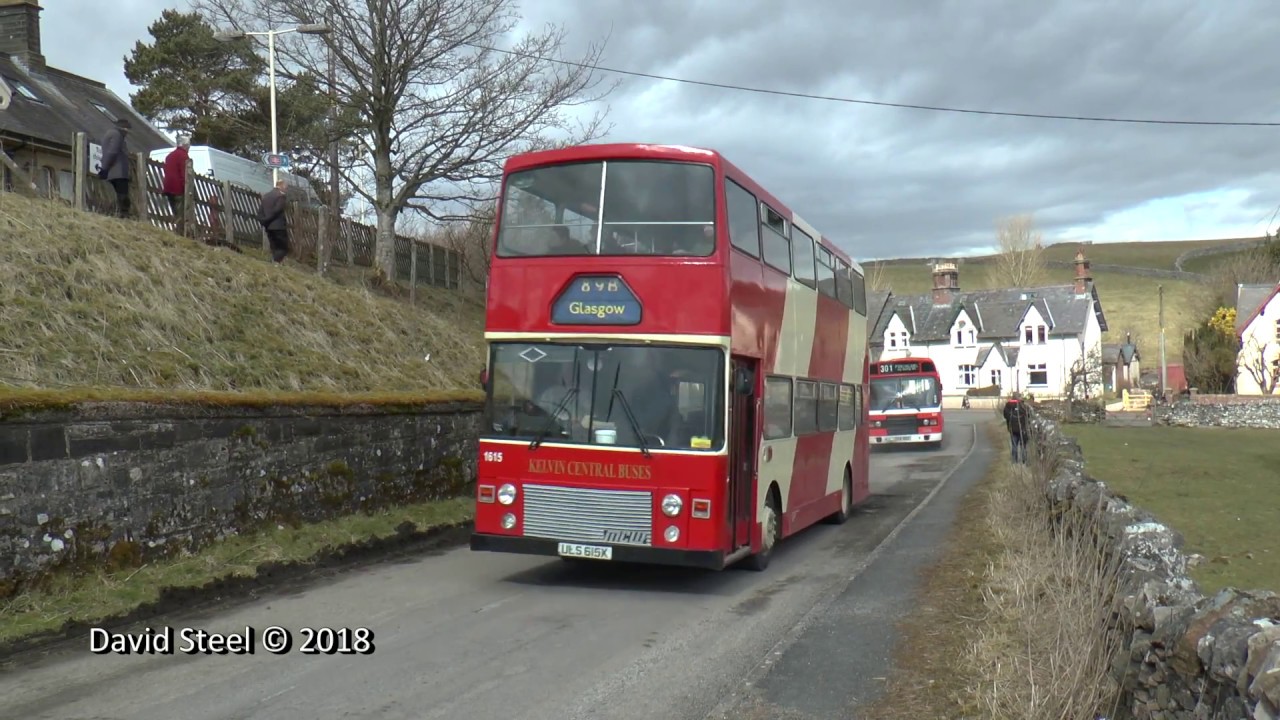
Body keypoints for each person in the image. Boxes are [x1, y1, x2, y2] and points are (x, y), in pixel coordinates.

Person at [97, 117, 131, 218]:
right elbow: (112, 152)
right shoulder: (117, 135)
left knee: (119, 194)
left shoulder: (112, 134)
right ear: (123, 128)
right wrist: (105, 168)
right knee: (122, 194)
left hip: (114, 171)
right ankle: (122, 215)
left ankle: (119, 213)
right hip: (117, 171)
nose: (128, 132)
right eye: (127, 129)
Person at [162, 136, 190, 234]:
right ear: (185, 145)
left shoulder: (169, 156)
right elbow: (184, 174)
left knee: (175, 211)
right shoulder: (183, 156)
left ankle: (177, 231)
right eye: (188, 145)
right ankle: (180, 233)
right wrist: (187, 189)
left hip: (168, 187)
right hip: (178, 188)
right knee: (181, 214)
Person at [258, 179, 291, 263]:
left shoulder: (266, 196)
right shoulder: (281, 196)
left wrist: (263, 221)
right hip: (278, 226)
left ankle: (275, 264)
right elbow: (277, 211)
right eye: (286, 187)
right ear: (281, 186)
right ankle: (273, 262)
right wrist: (267, 218)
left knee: (274, 247)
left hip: (268, 226)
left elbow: (261, 210)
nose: (286, 190)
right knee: (283, 248)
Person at [1002, 393, 1030, 464]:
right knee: (1023, 445)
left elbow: (1005, 416)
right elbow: (1028, 415)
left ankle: (1014, 461)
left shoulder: (1008, 406)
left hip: (1013, 429)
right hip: (1022, 429)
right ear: (1019, 398)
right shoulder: (1023, 406)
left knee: (1014, 445)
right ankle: (1024, 461)